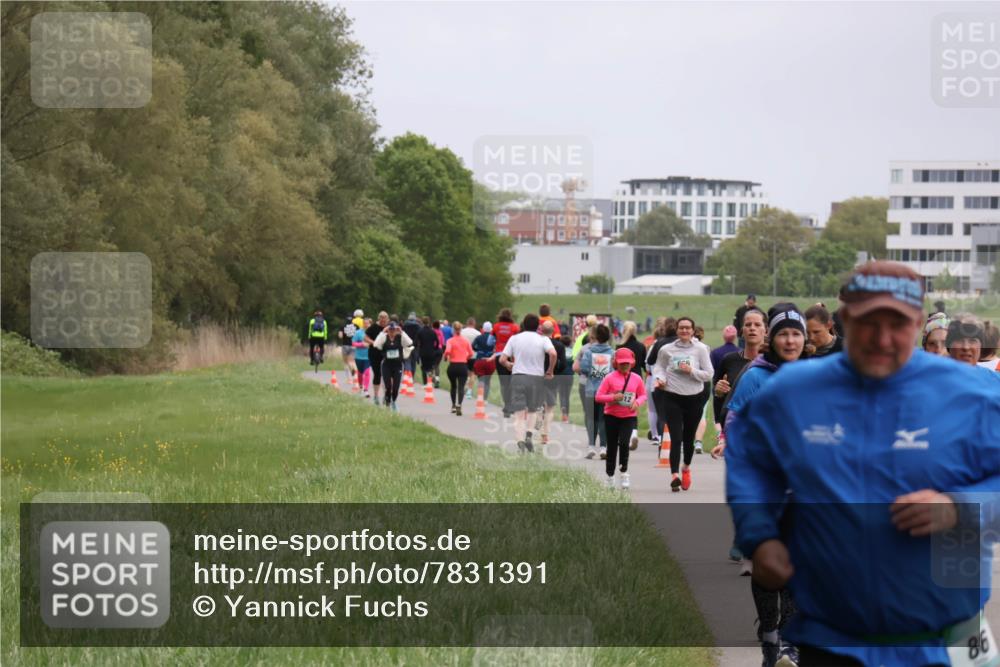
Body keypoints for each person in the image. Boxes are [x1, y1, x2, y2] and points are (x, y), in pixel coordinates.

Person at [727, 260, 1000, 667]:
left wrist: (959, 506)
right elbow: (751, 462)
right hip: (833, 638)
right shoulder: (795, 392)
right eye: (869, 323)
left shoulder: (972, 395)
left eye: (899, 324)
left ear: (920, 322)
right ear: (845, 321)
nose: (883, 338)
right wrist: (760, 535)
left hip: (942, 641)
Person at [719, 303, 807, 667]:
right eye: (783, 333)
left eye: (796, 333)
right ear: (772, 338)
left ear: (804, 338)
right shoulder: (757, 376)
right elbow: (734, 419)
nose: (790, 340)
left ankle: (787, 640)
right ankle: (770, 632)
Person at [651, 317, 713, 492]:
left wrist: (691, 370)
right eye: (681, 328)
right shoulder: (666, 349)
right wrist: (660, 379)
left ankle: (685, 468)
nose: (684, 331)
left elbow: (709, 374)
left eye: (688, 328)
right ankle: (674, 476)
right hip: (672, 397)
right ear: (677, 330)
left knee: (688, 439)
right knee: (675, 438)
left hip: (694, 398)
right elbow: (659, 367)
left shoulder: (700, 349)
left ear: (693, 331)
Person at [498, 313, 556, 453]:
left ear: (523, 323)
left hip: (518, 376)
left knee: (519, 413)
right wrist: (550, 370)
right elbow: (553, 354)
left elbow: (502, 359)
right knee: (532, 410)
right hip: (536, 378)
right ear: (538, 326)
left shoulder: (515, 338)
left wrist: (508, 364)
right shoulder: (543, 339)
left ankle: (520, 441)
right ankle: (529, 434)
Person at [595, 348, 647, 490]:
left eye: (628, 363)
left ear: (633, 363)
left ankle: (624, 473)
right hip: (611, 416)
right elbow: (598, 397)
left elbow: (643, 395)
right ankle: (610, 476)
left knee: (624, 444)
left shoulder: (636, 378)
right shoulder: (609, 378)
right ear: (616, 363)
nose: (625, 365)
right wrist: (613, 397)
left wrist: (637, 403)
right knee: (611, 447)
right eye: (622, 363)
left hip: (628, 417)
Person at [575, 324, 615, 460]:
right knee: (604, 419)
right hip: (607, 392)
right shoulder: (612, 353)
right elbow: (614, 371)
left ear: (596, 337)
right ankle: (603, 447)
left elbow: (584, 369)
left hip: (591, 389)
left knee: (591, 418)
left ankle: (592, 446)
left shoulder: (589, 352)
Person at [372, 321, 413, 413]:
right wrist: (382, 332)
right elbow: (375, 344)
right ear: (388, 330)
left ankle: (393, 401)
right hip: (386, 365)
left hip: (397, 365)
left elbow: (410, 342)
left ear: (396, 330)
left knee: (395, 387)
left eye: (393, 329)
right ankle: (387, 403)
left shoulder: (400, 337)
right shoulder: (384, 338)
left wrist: (402, 332)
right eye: (390, 329)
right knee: (388, 386)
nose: (392, 331)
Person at [537, 321, 566, 444]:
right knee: (550, 407)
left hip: (537, 376)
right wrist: (555, 371)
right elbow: (563, 364)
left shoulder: (537, 344)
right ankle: (545, 434)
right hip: (553, 378)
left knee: (538, 404)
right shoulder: (559, 346)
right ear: (553, 331)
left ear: (541, 331)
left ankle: (537, 420)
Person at [492, 309, 520, 417]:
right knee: (513, 382)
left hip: (500, 355)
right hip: (512, 357)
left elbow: (491, 340)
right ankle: (511, 405)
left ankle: (507, 406)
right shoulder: (515, 327)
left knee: (504, 383)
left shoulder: (496, 326)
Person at [443, 321, 474, 415]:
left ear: (453, 329)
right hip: (462, 366)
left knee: (453, 386)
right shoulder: (466, 341)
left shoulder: (450, 341)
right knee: (461, 387)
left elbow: (447, 351)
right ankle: (459, 405)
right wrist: (465, 358)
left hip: (452, 366)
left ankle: (453, 406)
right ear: (461, 330)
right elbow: (471, 354)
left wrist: (445, 357)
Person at [365, 312, 388, 405]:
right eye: (381, 318)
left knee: (387, 375)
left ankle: (386, 396)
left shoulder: (389, 328)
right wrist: (374, 342)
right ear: (379, 318)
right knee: (377, 374)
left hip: (386, 354)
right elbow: (365, 337)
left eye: (385, 318)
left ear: (387, 319)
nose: (383, 320)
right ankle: (376, 396)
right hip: (374, 354)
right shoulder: (373, 327)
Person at [472, 321, 496, 401]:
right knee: (488, 381)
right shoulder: (493, 338)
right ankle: (485, 399)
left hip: (480, 360)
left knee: (481, 380)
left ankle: (480, 397)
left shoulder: (478, 337)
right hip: (490, 360)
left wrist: (478, 350)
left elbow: (473, 346)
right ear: (491, 329)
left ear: (483, 329)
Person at [416, 317, 442, 387]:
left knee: (423, 367)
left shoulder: (420, 331)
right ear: (429, 322)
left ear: (422, 322)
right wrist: (435, 348)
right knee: (430, 368)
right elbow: (437, 341)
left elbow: (417, 342)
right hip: (431, 351)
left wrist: (418, 350)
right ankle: (430, 381)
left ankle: (425, 383)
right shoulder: (432, 331)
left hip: (423, 352)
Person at [556, 333, 575, 423]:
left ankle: (563, 411)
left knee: (561, 394)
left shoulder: (559, 351)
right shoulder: (573, 352)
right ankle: (566, 415)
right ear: (570, 343)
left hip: (560, 375)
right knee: (567, 395)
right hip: (569, 375)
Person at [352, 318, 371, 396]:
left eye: (368, 323)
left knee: (367, 372)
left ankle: (366, 389)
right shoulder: (358, 333)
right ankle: (360, 386)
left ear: (370, 324)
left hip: (368, 356)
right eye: (365, 323)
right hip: (359, 357)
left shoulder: (372, 333)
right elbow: (353, 343)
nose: (366, 325)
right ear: (363, 324)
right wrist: (361, 344)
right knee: (360, 373)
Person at [339, 314, 360, 381]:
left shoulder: (343, 326)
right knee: (352, 362)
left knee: (346, 362)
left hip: (345, 345)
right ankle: (355, 376)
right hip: (353, 345)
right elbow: (359, 335)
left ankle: (349, 379)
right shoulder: (356, 326)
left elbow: (340, 336)